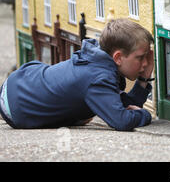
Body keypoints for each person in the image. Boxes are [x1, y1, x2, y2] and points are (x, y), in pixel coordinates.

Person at [0, 19, 154, 131]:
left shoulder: (97, 60)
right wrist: (146, 115)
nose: (146, 63)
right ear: (118, 58)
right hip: (15, 106)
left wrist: (143, 80)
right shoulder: (99, 78)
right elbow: (122, 120)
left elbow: (128, 105)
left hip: (22, 76)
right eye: (140, 57)